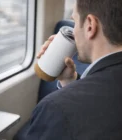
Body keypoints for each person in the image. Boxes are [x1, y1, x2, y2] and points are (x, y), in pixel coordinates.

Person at [21, 0, 122, 139]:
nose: (73, 32)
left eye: (74, 21)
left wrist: (69, 95)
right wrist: (69, 82)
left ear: (90, 26)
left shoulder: (56, 109)